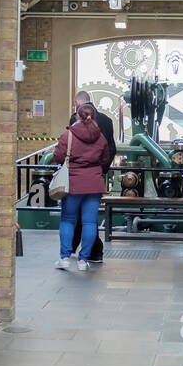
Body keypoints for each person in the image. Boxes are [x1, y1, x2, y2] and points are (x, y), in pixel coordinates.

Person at [52, 102, 112, 272]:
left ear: (77, 116)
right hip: (94, 184)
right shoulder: (101, 137)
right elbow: (105, 159)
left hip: (73, 184)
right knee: (90, 222)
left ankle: (64, 257)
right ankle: (83, 260)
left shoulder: (68, 136)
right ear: (94, 117)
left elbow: (57, 157)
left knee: (68, 220)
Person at [67, 90, 115, 263]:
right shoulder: (107, 121)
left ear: (78, 103)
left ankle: (94, 250)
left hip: (78, 176)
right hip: (96, 176)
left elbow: (68, 149)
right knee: (87, 213)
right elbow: (111, 149)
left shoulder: (75, 120)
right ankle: (78, 247)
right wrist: (101, 170)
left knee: (81, 214)